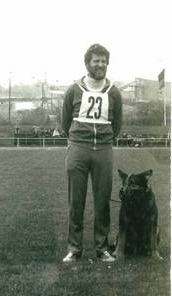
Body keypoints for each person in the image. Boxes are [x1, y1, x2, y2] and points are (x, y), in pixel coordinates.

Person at [61, 43, 122, 263]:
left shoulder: (113, 90)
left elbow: (118, 124)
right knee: (75, 202)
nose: (100, 65)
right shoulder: (74, 89)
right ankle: (74, 249)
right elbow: (65, 120)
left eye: (104, 61)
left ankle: (102, 248)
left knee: (102, 201)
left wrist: (105, 141)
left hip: (103, 150)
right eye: (96, 61)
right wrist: (77, 140)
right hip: (78, 148)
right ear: (88, 63)